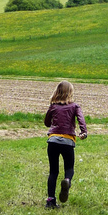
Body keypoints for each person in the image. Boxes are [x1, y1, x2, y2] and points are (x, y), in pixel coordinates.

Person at [44, 80, 88, 208]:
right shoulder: (75, 106)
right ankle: (67, 181)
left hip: (53, 140)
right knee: (69, 169)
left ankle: (50, 201)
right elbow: (81, 120)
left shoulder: (53, 106)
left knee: (53, 172)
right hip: (68, 141)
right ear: (70, 93)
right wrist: (83, 132)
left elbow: (47, 123)